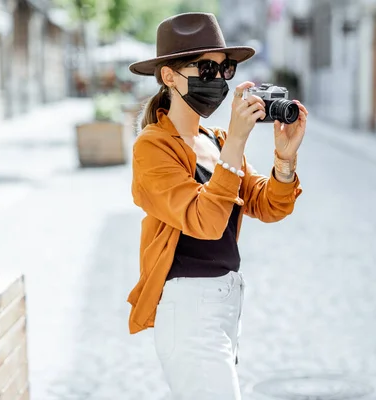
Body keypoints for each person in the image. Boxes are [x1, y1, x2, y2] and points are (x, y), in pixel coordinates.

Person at [126, 12, 307, 400]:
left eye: (225, 68)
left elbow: (269, 204)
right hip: (188, 308)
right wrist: (236, 145)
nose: (218, 79)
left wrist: (285, 160)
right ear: (169, 77)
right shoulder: (153, 147)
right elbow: (204, 221)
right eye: (206, 68)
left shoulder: (216, 139)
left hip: (225, 305)